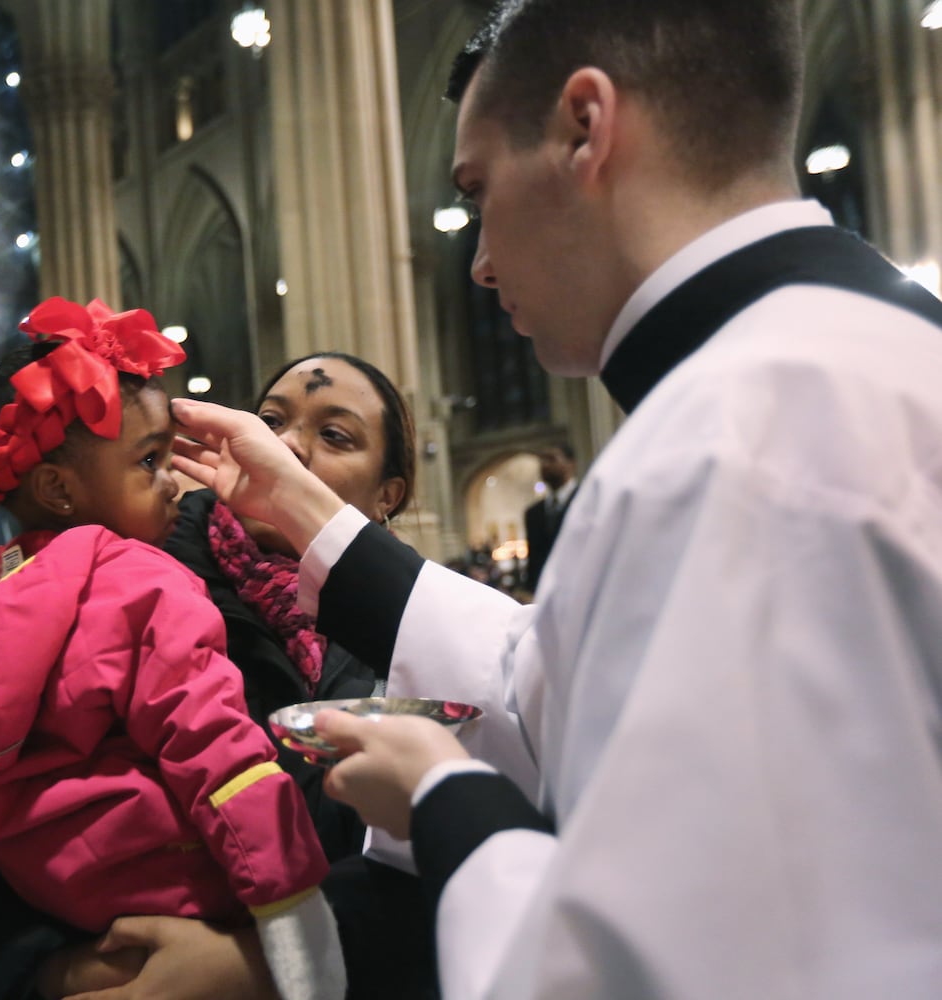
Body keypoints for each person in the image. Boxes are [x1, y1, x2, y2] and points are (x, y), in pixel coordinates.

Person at [169, 1, 942, 997]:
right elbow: (547, 678)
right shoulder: (860, 349)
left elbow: (661, 970)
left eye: (479, 190)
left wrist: (446, 799)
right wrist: (309, 513)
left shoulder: (735, 435)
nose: (481, 261)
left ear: (586, 127)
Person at [0, 350, 437, 1000]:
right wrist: (49, 971)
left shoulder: (425, 629)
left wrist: (259, 963)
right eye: (270, 421)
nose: (287, 447)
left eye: (334, 435)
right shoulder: (124, 575)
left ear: (389, 494)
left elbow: (450, 851)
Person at [521, 443, 575, 593]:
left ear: (570, 463)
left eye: (551, 459)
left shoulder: (586, 501)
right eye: (542, 460)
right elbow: (534, 559)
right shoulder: (533, 513)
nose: (545, 465)